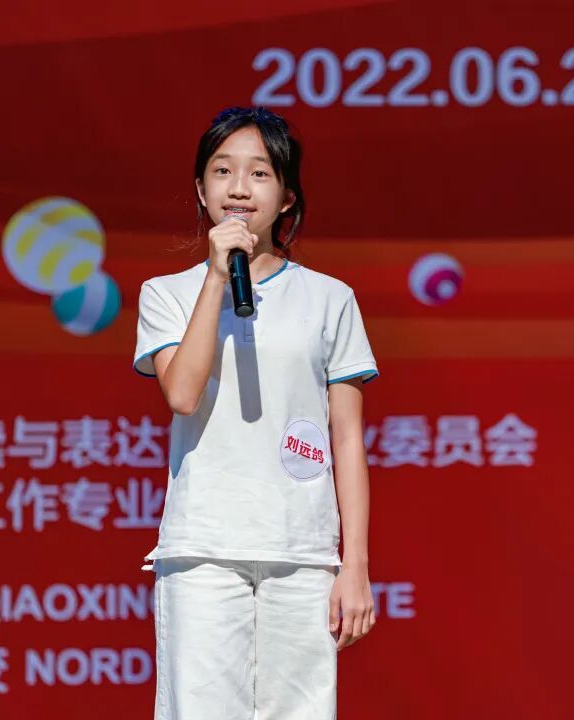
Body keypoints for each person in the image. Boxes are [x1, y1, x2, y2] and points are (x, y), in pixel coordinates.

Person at [131, 106, 378, 720]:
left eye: (260, 173)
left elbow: (347, 438)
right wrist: (216, 279)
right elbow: (182, 394)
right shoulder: (167, 293)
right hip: (204, 548)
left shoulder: (331, 298)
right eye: (223, 171)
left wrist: (355, 566)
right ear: (201, 189)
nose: (239, 188)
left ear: (287, 197)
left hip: (302, 550)